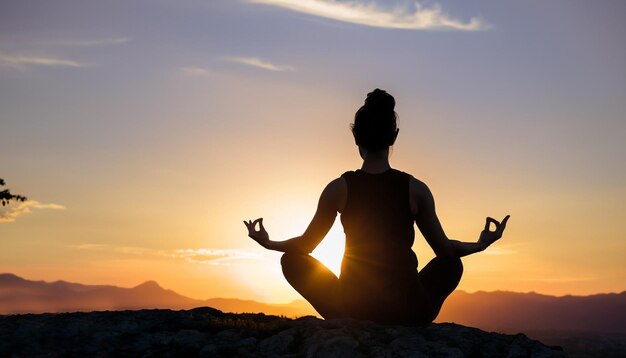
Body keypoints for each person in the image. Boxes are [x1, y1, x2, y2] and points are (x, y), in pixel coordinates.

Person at [244, 89, 509, 325]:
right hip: (409, 311)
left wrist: (269, 243)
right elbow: (446, 251)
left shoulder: (339, 188)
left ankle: (342, 318)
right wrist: (481, 244)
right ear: (394, 136)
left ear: (355, 136)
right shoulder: (416, 189)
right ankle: (412, 321)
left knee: (291, 260)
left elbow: (304, 246)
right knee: (451, 265)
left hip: (352, 307)